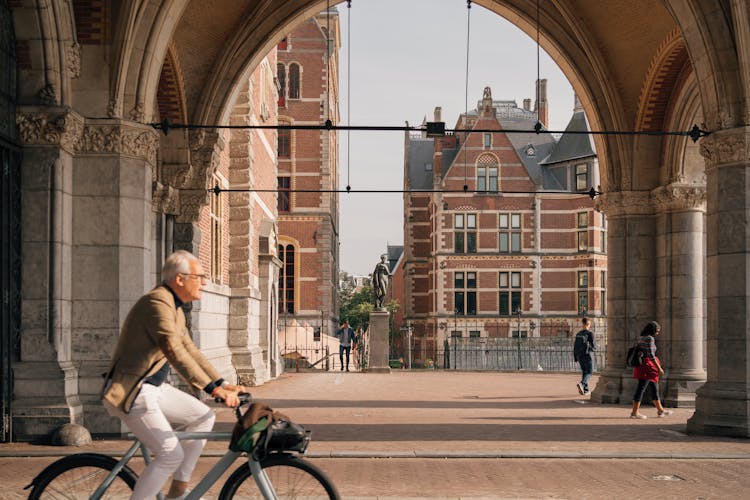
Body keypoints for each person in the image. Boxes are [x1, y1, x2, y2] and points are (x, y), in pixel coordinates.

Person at [100, 250, 249, 499]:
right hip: (133, 391)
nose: (204, 282)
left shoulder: (176, 309)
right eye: (200, 276)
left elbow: (191, 350)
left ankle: (177, 490)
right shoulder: (157, 303)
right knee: (170, 454)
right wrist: (212, 390)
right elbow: (173, 349)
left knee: (203, 416)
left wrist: (223, 383)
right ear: (180, 279)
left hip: (154, 390)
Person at [630, 321, 673, 419]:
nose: (658, 333)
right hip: (647, 367)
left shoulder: (641, 337)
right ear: (652, 330)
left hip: (644, 366)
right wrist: (659, 368)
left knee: (654, 388)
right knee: (641, 389)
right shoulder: (649, 338)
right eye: (657, 331)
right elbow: (651, 356)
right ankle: (634, 413)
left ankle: (660, 410)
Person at [573, 317, 596, 395]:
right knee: (589, 372)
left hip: (579, 356)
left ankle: (585, 390)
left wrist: (576, 357)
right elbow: (593, 346)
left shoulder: (578, 333)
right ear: (588, 324)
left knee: (584, 371)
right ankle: (582, 383)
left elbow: (575, 346)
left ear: (582, 324)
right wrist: (593, 349)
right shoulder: (590, 333)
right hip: (587, 355)